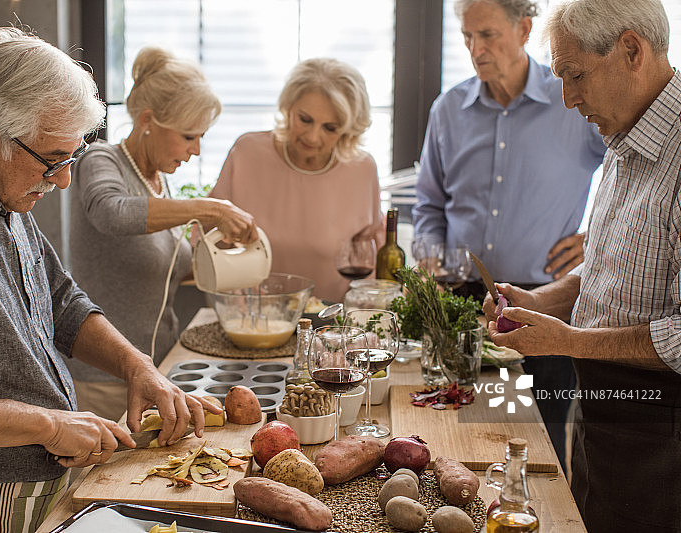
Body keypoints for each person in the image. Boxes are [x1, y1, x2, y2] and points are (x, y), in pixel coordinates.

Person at [0, 28, 219, 533]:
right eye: (51, 159)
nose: (62, 180)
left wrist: (136, 366)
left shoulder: (5, 196)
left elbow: (63, 303)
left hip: (31, 488)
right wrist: (54, 424)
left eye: (70, 160)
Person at [487, 0, 680, 530]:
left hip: (662, 433)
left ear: (632, 50)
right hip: (601, 412)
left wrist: (569, 341)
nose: (567, 100)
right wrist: (541, 300)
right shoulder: (624, 134)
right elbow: (607, 263)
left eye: (575, 76)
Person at [412, 0, 607, 471]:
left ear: (523, 29)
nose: (475, 49)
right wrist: (429, 256)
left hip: (548, 304)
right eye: (467, 37)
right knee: (453, 439)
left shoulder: (574, 102)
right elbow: (429, 206)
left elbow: (629, 174)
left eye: (488, 35)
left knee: (531, 450)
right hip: (461, 303)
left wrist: (597, 236)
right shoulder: (448, 110)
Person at [67, 47, 257, 421]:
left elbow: (165, 269)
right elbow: (112, 212)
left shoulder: (159, 184)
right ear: (149, 120)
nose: (197, 150)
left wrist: (225, 254)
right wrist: (211, 207)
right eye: (189, 136)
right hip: (105, 380)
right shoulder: (101, 160)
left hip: (158, 371)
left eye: (202, 137)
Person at [209, 57, 384, 303]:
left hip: (331, 325)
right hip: (252, 319)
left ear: (348, 130)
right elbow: (211, 242)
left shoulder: (362, 169)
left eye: (330, 128)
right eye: (305, 119)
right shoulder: (247, 153)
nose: (313, 137)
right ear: (288, 106)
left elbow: (370, 258)